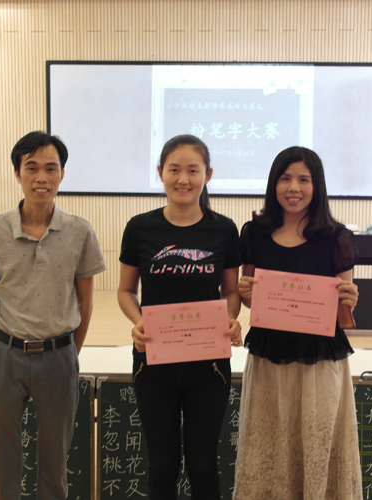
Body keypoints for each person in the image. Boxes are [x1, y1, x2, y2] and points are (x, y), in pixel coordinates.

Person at [0, 131, 106, 500]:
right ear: (17, 174)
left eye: (50, 168)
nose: (41, 177)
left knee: (55, 468)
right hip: (4, 356)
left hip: (59, 357)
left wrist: (70, 355)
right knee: (3, 468)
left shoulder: (80, 231)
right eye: (32, 168)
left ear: (62, 174)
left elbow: (86, 302)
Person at [233, 146, 362, 500]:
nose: (294, 188)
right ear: (273, 184)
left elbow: (344, 308)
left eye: (304, 180)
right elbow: (251, 300)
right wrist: (246, 292)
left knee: (317, 443)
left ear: (317, 186)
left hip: (319, 358)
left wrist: (349, 300)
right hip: (269, 357)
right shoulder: (254, 233)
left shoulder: (336, 237)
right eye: (285, 178)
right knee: (268, 441)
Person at [117, 134, 242, 500]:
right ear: (160, 172)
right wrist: (137, 321)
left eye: (193, 170)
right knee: (162, 464)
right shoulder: (139, 228)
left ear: (208, 175)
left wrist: (230, 318)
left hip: (209, 364)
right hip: (154, 362)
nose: (183, 179)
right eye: (174, 170)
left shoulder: (224, 229)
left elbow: (231, 292)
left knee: (203, 463)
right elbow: (125, 291)